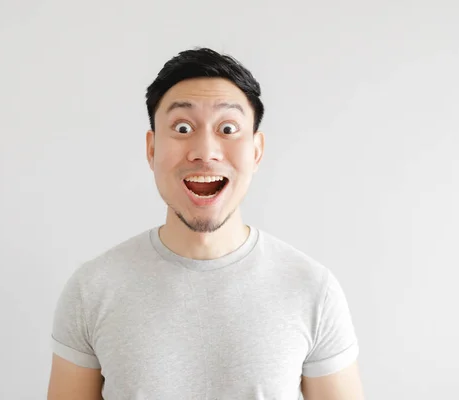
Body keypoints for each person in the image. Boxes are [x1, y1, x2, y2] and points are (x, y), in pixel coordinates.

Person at [47, 47, 364, 400]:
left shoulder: (312, 290)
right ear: (151, 149)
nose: (205, 150)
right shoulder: (92, 290)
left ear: (256, 151)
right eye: (183, 127)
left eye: (228, 128)